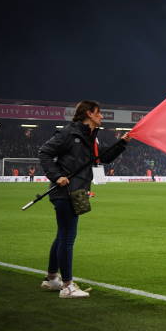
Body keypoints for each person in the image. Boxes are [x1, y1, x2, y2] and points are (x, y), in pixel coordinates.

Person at [38, 100, 131, 299]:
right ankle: (67, 286)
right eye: (99, 113)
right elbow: (44, 152)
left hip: (76, 191)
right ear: (89, 114)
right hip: (65, 192)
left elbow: (103, 158)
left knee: (62, 235)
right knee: (68, 237)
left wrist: (123, 142)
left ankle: (52, 278)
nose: (102, 116)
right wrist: (56, 176)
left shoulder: (91, 138)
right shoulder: (70, 133)